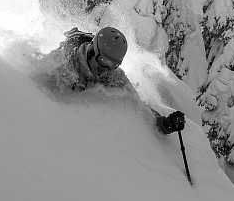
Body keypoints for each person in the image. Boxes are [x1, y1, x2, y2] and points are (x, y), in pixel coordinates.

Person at [45, 26, 186, 135]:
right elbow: (45, 90)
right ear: (93, 51)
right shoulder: (67, 62)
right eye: (103, 60)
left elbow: (138, 104)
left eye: (113, 64)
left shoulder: (112, 75)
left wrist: (164, 124)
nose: (106, 69)